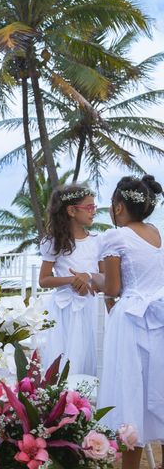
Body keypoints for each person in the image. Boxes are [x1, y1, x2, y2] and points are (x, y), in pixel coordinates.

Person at [94, 175, 164, 469]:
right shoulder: (156, 233)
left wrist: (92, 279)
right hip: (159, 316)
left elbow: (112, 288)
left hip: (132, 321)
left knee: (129, 392)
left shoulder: (115, 237)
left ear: (119, 207)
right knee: (158, 386)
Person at [37, 185, 103, 375]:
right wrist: (72, 280)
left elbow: (105, 277)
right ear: (72, 210)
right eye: (89, 208)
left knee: (91, 357)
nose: (94, 212)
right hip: (65, 311)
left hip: (91, 307)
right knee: (66, 359)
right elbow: (44, 279)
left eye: (94, 207)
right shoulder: (53, 242)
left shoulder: (98, 241)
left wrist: (88, 279)